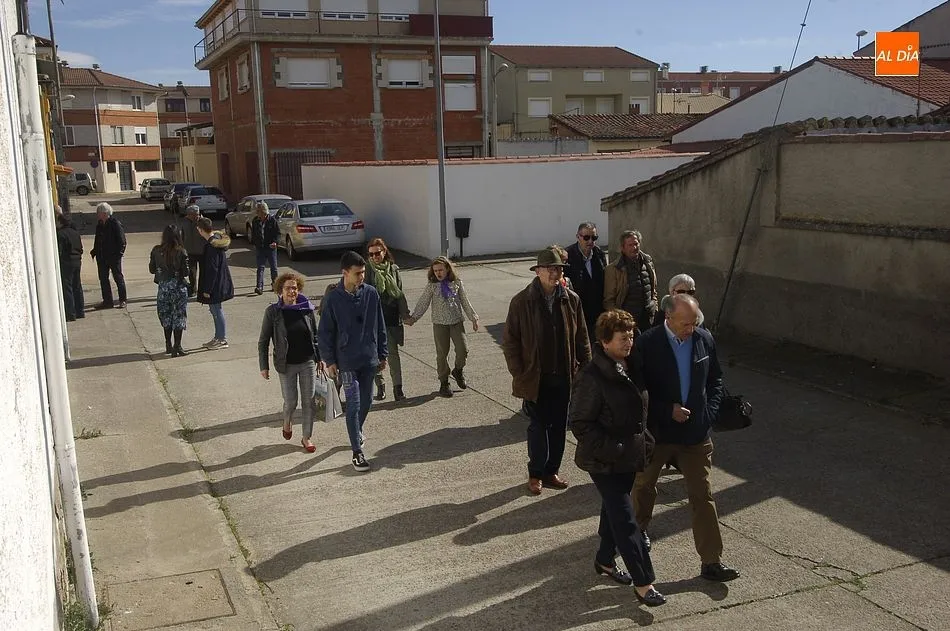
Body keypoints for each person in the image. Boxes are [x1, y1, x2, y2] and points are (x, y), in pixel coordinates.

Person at [633, 294, 740, 583]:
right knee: (643, 486)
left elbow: (715, 380)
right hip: (658, 434)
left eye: (694, 323)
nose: (691, 329)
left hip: (695, 435)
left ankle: (711, 561)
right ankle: (636, 534)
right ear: (668, 318)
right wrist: (666, 410)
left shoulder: (704, 339)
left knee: (702, 496)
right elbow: (636, 389)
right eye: (685, 324)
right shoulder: (647, 343)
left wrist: (709, 414)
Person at [570, 309, 666, 607]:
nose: (629, 342)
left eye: (631, 336)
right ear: (605, 341)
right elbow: (580, 424)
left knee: (613, 510)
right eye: (623, 338)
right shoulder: (591, 376)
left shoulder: (633, 365)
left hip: (630, 455)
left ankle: (604, 560)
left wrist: (645, 441)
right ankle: (644, 582)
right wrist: (613, 448)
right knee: (626, 519)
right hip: (603, 461)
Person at [502, 248, 591, 495]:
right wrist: (519, 372)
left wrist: (585, 369)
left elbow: (582, 337)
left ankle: (552, 471)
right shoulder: (522, 301)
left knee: (559, 426)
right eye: (550, 269)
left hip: (563, 375)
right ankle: (536, 473)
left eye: (559, 269)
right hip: (535, 378)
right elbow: (510, 341)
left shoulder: (571, 299)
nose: (555, 274)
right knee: (538, 427)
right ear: (538, 271)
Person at [317, 251, 388, 472]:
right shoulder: (333, 298)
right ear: (345, 272)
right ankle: (357, 452)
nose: (361, 277)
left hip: (369, 359)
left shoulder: (371, 294)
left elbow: (380, 325)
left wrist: (383, 353)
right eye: (357, 273)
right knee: (354, 404)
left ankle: (356, 430)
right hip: (346, 361)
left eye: (363, 272)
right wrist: (329, 360)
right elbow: (325, 332)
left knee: (367, 402)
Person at [259, 272, 324, 453]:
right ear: (280, 290)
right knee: (291, 402)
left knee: (309, 402)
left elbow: (315, 336)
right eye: (287, 288)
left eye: (294, 288)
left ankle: (306, 437)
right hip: (286, 364)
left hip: (307, 362)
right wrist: (264, 366)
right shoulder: (273, 312)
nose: (291, 291)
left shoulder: (306, 309)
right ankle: (287, 421)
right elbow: (263, 341)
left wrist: (319, 358)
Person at [406, 256, 479, 398]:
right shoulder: (432, 285)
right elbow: (423, 302)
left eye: (440, 270)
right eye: (435, 271)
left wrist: (473, 318)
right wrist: (414, 318)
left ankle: (458, 370)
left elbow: (465, 301)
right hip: (440, 323)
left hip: (456, 322)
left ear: (447, 269)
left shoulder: (456, 283)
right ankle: (444, 382)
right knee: (442, 354)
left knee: (463, 349)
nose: (438, 273)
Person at [366, 238, 410, 401]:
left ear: (384, 251)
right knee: (374, 355)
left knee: (393, 354)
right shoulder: (367, 270)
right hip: (374, 319)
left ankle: (398, 389)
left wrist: (405, 314)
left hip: (391, 317)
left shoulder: (394, 269)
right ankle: (380, 385)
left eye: (377, 253)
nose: (375, 257)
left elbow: (399, 293)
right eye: (371, 254)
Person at [603, 230, 658, 333]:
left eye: (636, 244)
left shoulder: (648, 263)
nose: (634, 248)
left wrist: (654, 307)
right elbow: (609, 301)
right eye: (630, 245)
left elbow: (653, 290)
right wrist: (620, 320)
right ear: (623, 248)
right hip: (627, 323)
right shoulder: (613, 269)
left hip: (648, 319)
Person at [148, 226, 190, 357]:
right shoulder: (181, 251)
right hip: (178, 288)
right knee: (179, 316)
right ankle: (177, 346)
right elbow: (186, 272)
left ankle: (168, 344)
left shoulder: (156, 250)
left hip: (163, 288)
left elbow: (152, 269)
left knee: (166, 315)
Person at [196, 216, 234, 350]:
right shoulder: (217, 241)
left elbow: (212, 269)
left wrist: (207, 289)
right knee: (215, 310)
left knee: (216, 310)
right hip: (219, 282)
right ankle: (218, 337)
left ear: (201, 230)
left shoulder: (212, 246)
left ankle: (222, 339)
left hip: (215, 285)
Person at [566, 222, 608, 340]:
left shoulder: (599, 254)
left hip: (597, 311)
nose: (590, 241)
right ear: (578, 237)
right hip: (578, 311)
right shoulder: (568, 256)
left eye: (594, 238)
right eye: (586, 237)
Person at [90, 202, 127, 309]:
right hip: (102, 257)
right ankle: (107, 301)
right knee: (103, 279)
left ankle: (122, 300)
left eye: (98, 212)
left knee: (118, 277)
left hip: (113, 256)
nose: (97, 215)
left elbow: (122, 241)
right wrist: (95, 251)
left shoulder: (115, 224)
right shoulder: (100, 225)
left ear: (104, 213)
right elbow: (98, 239)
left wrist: (119, 254)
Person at [56, 209, 85, 321]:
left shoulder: (61, 234)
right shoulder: (75, 233)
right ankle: (80, 311)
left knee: (67, 287)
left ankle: (70, 313)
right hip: (77, 261)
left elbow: (60, 251)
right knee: (77, 286)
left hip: (67, 262)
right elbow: (80, 248)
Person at [250, 201, 279, 295]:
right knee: (260, 268)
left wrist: (275, 242)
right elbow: (254, 233)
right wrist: (254, 243)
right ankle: (259, 287)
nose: (257, 213)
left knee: (274, 268)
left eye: (258, 211)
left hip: (270, 248)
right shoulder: (255, 221)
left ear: (264, 211)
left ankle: (275, 285)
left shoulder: (272, 220)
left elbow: (277, 233)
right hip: (260, 248)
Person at [176, 204, 206, 297]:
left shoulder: (204, 222)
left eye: (195, 214)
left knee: (204, 273)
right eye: (189, 215)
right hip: (189, 252)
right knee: (191, 272)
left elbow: (208, 236)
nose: (189, 216)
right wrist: (181, 247)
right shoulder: (185, 223)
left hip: (203, 252)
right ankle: (193, 290)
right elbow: (182, 236)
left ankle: (203, 290)